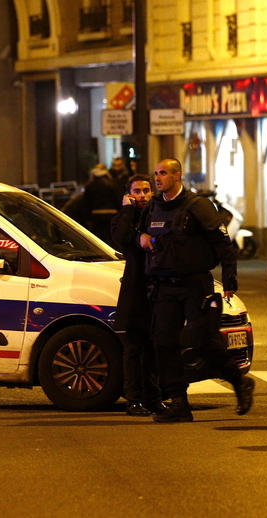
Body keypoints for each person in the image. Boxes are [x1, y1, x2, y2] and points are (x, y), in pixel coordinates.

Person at [138, 157, 255, 423]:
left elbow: (223, 243)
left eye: (163, 173)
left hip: (195, 285)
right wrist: (140, 236)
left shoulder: (197, 205)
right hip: (166, 286)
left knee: (203, 341)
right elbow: (139, 233)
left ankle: (239, 382)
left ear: (177, 176)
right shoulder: (154, 206)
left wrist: (229, 280)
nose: (158, 178)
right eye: (156, 173)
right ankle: (179, 402)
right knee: (163, 342)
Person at [110, 174, 165, 416]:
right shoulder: (124, 218)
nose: (142, 195)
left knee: (154, 348)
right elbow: (121, 238)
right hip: (135, 290)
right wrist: (127, 210)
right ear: (128, 195)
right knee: (133, 348)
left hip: (158, 289)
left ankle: (154, 398)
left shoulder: (159, 215)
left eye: (146, 190)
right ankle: (133, 400)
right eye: (136, 191)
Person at [83, 164, 121, 247]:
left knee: (99, 241)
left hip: (96, 216)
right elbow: (118, 200)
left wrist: (88, 219)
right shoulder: (113, 183)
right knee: (112, 239)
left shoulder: (90, 185)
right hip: (111, 215)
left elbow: (86, 203)